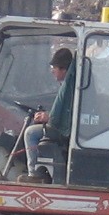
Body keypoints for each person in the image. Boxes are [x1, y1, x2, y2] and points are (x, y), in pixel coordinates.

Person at [22, 47, 74, 183]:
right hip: (70, 129)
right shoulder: (72, 83)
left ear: (63, 69)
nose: (52, 71)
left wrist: (48, 117)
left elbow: (63, 117)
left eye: (54, 68)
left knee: (30, 133)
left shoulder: (69, 85)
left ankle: (33, 174)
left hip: (66, 132)